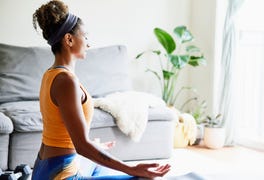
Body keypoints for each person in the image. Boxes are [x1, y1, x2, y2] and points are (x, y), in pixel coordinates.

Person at [31, 0, 171, 179]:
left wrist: (93, 147)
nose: (88, 43)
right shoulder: (66, 81)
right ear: (69, 39)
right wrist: (132, 169)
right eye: (85, 36)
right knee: (142, 178)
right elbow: (81, 146)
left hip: (45, 168)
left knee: (98, 164)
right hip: (61, 175)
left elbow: (66, 138)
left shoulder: (51, 74)